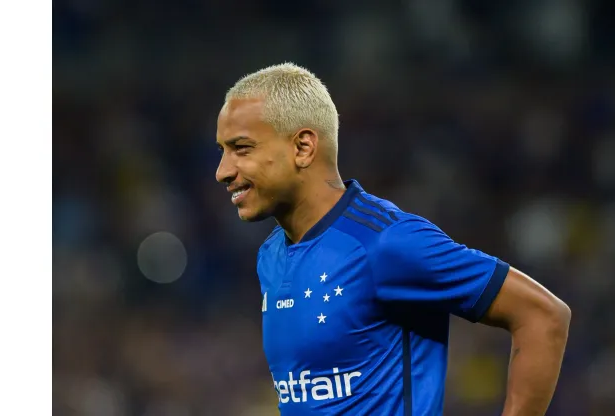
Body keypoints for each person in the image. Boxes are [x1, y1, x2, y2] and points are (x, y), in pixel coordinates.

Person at [215, 63, 571, 416]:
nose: (222, 171)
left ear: (303, 147)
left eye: (242, 148)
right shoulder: (271, 254)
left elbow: (543, 316)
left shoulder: (384, 242)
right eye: (222, 151)